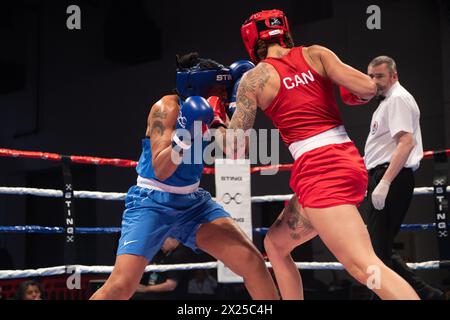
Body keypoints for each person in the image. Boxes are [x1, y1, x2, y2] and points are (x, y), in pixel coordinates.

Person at [226, 9, 420, 299]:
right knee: (275, 245)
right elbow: (369, 88)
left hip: (322, 171)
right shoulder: (316, 54)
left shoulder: (254, 80)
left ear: (251, 41)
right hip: (343, 160)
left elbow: (234, 149)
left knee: (364, 266)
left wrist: (223, 113)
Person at [90, 52, 279, 300]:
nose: (221, 93)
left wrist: (234, 107)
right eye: (218, 88)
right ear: (197, 86)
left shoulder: (209, 106)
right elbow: (161, 169)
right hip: (153, 201)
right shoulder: (165, 109)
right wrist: (186, 134)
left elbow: (236, 150)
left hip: (193, 204)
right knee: (121, 287)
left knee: (253, 262)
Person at [364, 56, 444, 300]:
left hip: (391, 176)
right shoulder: (387, 101)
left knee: (378, 251)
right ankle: (428, 295)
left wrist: (385, 182)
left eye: (379, 76)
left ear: (394, 76)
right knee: (380, 250)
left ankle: (429, 295)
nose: (374, 81)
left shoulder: (398, 98)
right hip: (385, 176)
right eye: (370, 76)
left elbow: (406, 143)